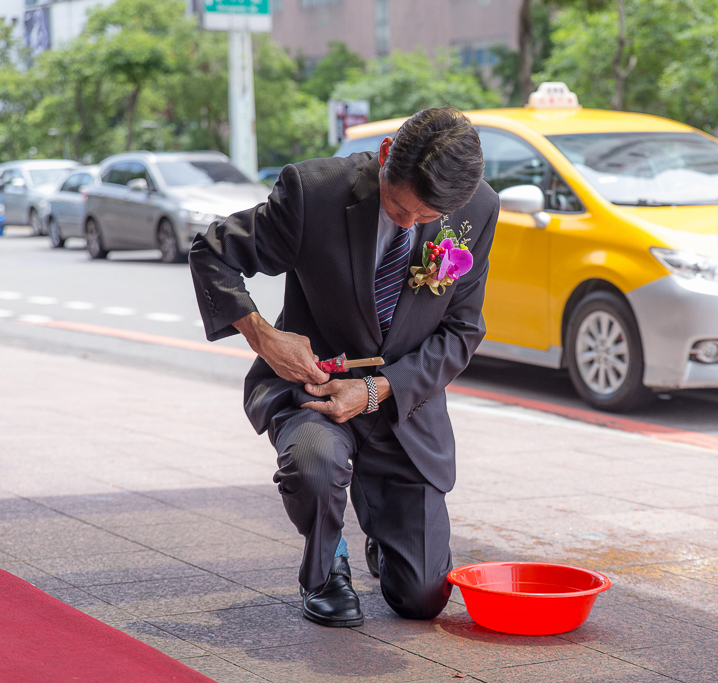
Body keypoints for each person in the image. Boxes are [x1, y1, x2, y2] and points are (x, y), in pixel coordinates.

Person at [189, 106, 497, 626]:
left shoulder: (478, 210)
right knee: (315, 465)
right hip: (313, 388)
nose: (409, 223)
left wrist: (377, 390)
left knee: (421, 599)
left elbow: (462, 331)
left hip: (402, 404)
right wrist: (265, 338)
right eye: (400, 208)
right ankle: (327, 564)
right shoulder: (315, 193)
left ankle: (384, 532)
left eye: (425, 219)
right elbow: (212, 251)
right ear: (383, 159)